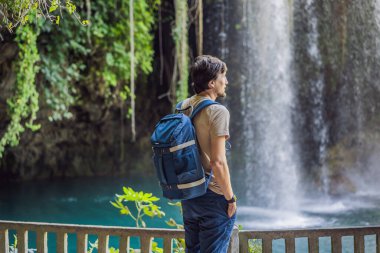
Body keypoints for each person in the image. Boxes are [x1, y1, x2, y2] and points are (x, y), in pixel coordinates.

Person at [180, 55, 237, 253]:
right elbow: (218, 162)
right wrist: (230, 198)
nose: (226, 81)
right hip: (213, 194)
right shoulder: (218, 111)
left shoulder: (183, 106)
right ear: (212, 83)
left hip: (189, 193)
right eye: (224, 76)